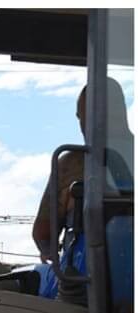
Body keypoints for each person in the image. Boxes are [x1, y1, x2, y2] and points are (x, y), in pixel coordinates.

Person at [30, 78, 134, 299]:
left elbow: (43, 232)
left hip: (87, 287)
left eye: (84, 115)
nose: (83, 124)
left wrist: (51, 254)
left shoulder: (72, 163)